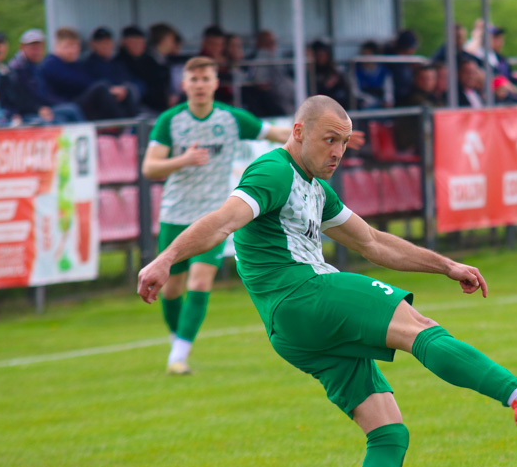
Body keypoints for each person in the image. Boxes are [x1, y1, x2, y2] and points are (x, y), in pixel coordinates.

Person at [137, 94, 517, 467]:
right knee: (420, 329)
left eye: (344, 141)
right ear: (298, 131)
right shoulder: (272, 172)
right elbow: (222, 220)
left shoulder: (315, 187)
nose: (339, 150)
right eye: (330, 139)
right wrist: (165, 259)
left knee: (388, 432)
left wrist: (446, 265)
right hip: (305, 293)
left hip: (292, 331)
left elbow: (373, 242)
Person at [140, 57, 364, 375]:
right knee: (172, 289)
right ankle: (178, 338)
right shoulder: (170, 121)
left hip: (217, 214)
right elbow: (149, 168)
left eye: (206, 78)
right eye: (194, 79)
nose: (200, 85)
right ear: (184, 84)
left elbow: (278, 134)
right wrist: (184, 160)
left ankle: (179, 355)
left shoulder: (232, 118)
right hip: (176, 213)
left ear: (216, 83)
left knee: (200, 279)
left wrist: (329, 137)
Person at [41, 27, 138, 120]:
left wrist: (114, 90)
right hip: (66, 104)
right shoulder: (51, 63)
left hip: (79, 102)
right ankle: (124, 124)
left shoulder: (76, 64)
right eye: (69, 46)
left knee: (125, 90)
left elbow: (87, 80)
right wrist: (109, 89)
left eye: (76, 45)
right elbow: (74, 82)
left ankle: (136, 122)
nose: (74, 50)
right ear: (57, 46)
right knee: (102, 87)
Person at [7, 29, 84, 124]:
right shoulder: (17, 69)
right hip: (28, 113)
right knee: (62, 117)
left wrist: (60, 102)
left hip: (41, 108)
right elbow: (19, 99)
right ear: (22, 47)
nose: (37, 52)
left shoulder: (34, 67)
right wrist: (38, 109)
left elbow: (43, 94)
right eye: (34, 48)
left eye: (40, 48)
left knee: (71, 108)